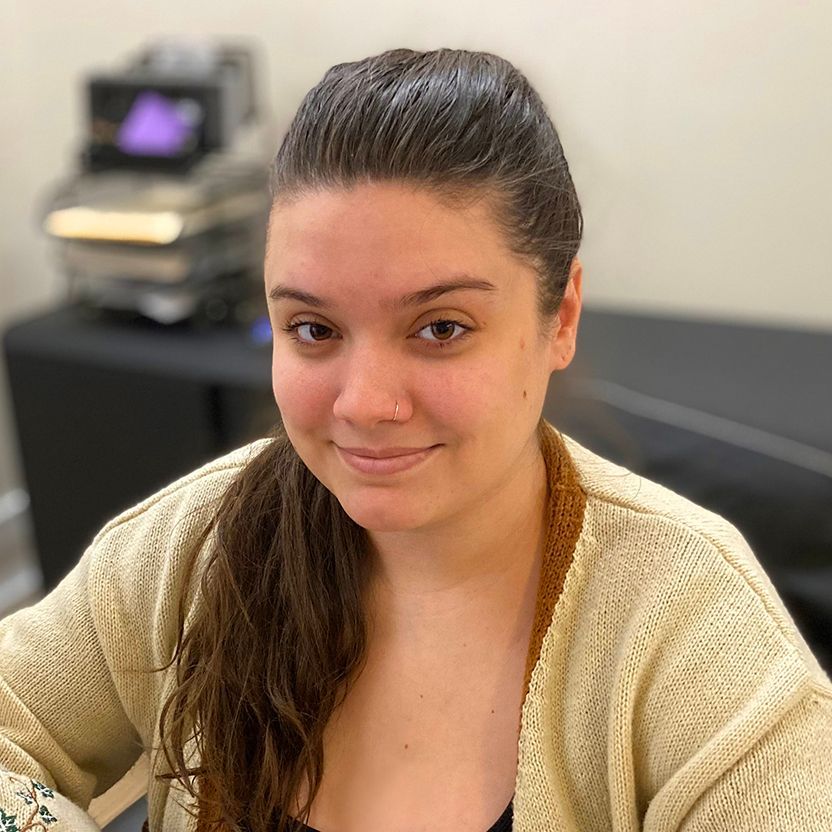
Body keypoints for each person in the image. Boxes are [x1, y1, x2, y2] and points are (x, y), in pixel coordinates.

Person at [0, 48, 830, 832]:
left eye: (440, 327)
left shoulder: (694, 635)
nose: (364, 404)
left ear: (561, 316)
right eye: (314, 328)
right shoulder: (190, 550)